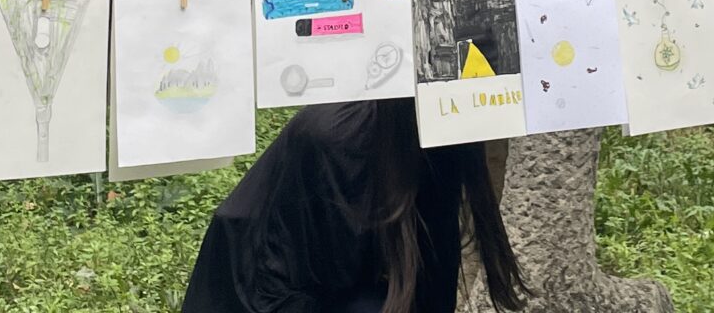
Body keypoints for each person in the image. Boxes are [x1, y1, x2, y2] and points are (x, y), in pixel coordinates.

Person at [182, 101, 527, 313]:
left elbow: (435, 269)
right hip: (258, 281)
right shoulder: (339, 138)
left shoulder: (445, 130)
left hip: (333, 276)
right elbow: (328, 274)